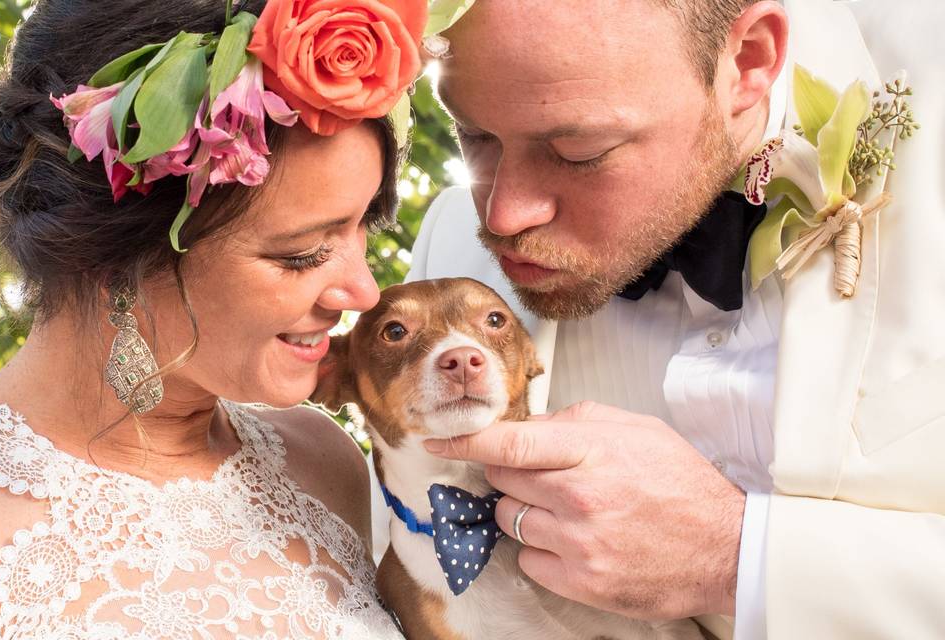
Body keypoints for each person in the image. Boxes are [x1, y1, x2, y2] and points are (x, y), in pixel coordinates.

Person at [404, 0, 945, 638]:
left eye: (579, 150)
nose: (502, 217)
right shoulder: (454, 264)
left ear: (749, 61)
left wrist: (739, 558)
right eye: (474, 136)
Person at [0, 0, 427, 637]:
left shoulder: (321, 461)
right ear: (115, 257)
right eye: (302, 254)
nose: (363, 292)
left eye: (367, 226)